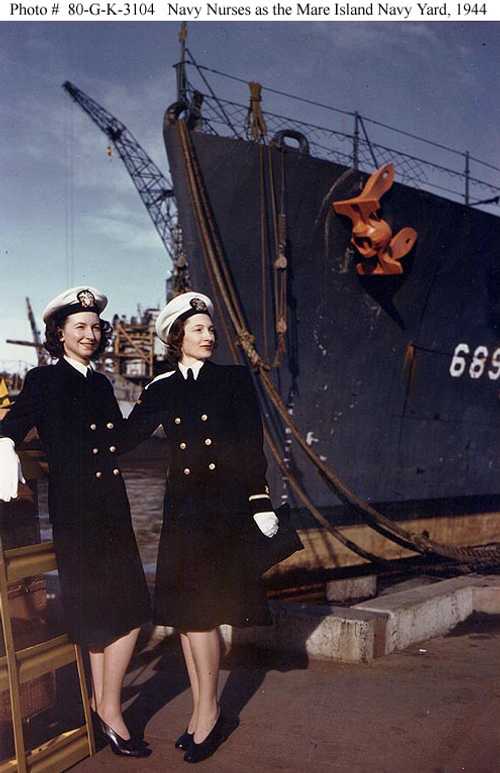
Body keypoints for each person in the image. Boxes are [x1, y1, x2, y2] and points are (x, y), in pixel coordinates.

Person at [120, 290, 279, 764]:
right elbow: (124, 437)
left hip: (221, 513)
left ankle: (208, 712)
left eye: (210, 329)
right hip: (183, 512)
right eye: (198, 330)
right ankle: (199, 714)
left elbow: (250, 445)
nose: (209, 336)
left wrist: (260, 499)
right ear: (176, 338)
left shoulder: (232, 381)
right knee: (188, 620)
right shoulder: (162, 388)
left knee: (205, 616)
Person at [0, 286, 151, 758]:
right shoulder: (44, 383)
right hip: (77, 511)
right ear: (59, 334)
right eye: (80, 327)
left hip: (113, 505)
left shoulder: (102, 385)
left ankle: (103, 702)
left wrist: (161, 402)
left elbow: (121, 438)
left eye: (95, 327)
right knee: (93, 609)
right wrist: (4, 448)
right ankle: (108, 711)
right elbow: (10, 426)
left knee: (130, 608)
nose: (90, 334)